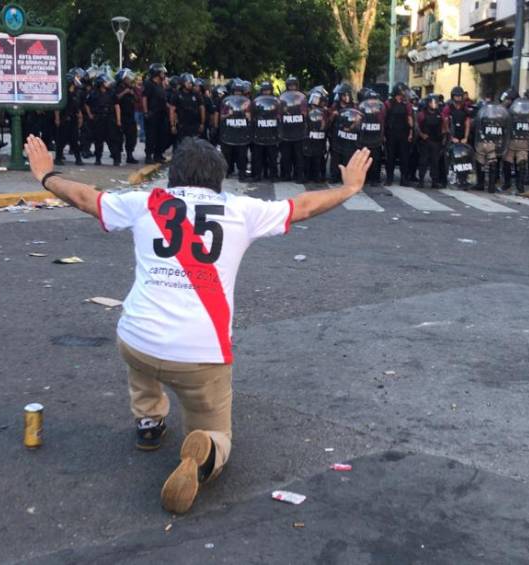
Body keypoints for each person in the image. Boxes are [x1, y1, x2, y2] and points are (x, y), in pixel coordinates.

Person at [23, 133, 372, 514]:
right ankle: (205, 451)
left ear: (172, 177)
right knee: (217, 430)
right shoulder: (241, 210)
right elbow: (302, 206)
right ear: (219, 179)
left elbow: (85, 198)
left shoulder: (145, 204)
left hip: (136, 339)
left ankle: (149, 423)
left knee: (142, 355)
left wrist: (46, 174)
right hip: (200, 355)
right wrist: (349, 187)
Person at [85, 74, 121, 166]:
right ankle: (98, 159)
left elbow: (117, 106)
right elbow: (87, 104)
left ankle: (116, 159)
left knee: (112, 140)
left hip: (109, 119)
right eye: (105, 82)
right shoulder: (93, 93)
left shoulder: (112, 93)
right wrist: (90, 115)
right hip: (98, 119)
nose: (107, 83)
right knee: (98, 140)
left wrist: (118, 120)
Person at [384, 83, 414, 185]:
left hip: (403, 134)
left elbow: (410, 119)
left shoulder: (407, 105)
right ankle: (389, 179)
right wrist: (383, 134)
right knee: (390, 157)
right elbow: (384, 119)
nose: (405, 94)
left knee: (404, 157)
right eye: (403, 92)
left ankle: (404, 179)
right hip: (391, 134)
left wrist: (410, 133)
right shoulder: (388, 103)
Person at [416, 94, 447, 188]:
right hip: (425, 141)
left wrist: (444, 137)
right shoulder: (422, 114)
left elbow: (444, 127)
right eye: (433, 102)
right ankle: (421, 180)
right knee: (423, 161)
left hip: (436, 141)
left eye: (436, 102)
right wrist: (421, 135)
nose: (435, 104)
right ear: (428, 103)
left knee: (435, 162)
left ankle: (434, 181)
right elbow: (416, 126)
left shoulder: (440, 114)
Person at [55, 72, 85, 166]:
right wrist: (57, 118)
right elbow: (58, 107)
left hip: (73, 119)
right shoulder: (64, 93)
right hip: (64, 119)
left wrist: (80, 117)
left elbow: (77, 107)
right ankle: (58, 158)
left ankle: (78, 159)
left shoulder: (75, 92)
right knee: (61, 140)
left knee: (75, 140)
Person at [143, 63, 168, 164]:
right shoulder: (149, 84)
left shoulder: (160, 85)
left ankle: (158, 155)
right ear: (157, 73)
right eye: (162, 73)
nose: (164, 75)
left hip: (161, 114)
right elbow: (144, 98)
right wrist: (146, 112)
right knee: (151, 136)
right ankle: (148, 156)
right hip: (152, 114)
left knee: (161, 136)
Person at [114, 68, 139, 164]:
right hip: (121, 116)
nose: (129, 79)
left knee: (131, 137)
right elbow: (116, 99)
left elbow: (137, 100)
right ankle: (117, 157)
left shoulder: (131, 88)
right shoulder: (117, 87)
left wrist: (132, 93)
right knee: (118, 138)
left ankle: (130, 155)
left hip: (130, 116)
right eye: (127, 78)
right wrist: (124, 92)